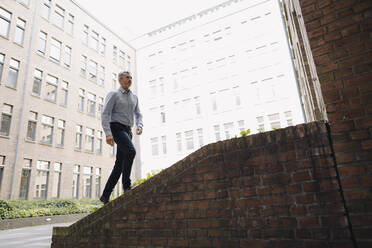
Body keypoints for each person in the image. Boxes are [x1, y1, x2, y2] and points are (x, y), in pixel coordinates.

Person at [99, 71, 143, 204]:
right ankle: (127, 186)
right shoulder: (114, 94)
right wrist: (108, 133)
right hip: (116, 127)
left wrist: (140, 125)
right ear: (120, 80)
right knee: (131, 151)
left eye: (131, 77)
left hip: (128, 130)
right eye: (127, 77)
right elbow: (105, 114)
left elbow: (138, 114)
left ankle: (105, 195)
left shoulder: (134, 97)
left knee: (119, 166)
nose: (129, 79)